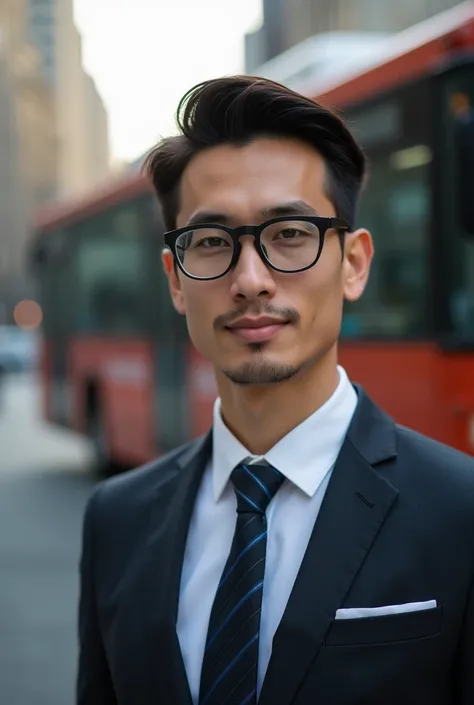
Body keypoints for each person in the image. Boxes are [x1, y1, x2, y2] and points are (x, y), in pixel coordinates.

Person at [77, 76, 474, 705]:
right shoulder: (117, 520)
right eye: (210, 243)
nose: (250, 280)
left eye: (289, 233)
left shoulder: (462, 511)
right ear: (176, 282)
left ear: (354, 264)